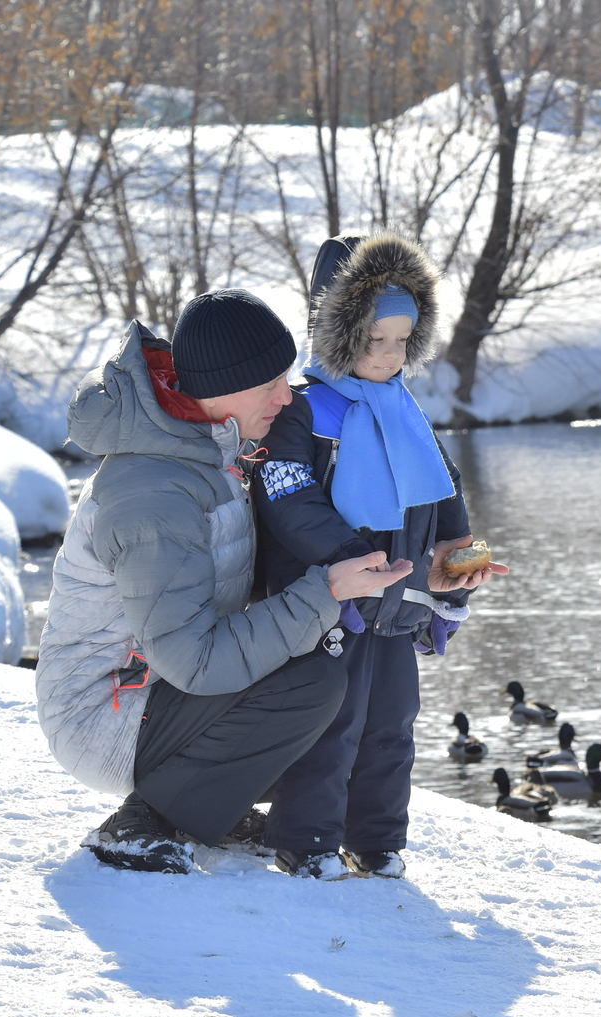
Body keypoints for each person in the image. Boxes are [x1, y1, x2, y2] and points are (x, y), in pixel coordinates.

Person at [36, 289, 412, 876]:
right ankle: (142, 822)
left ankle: (207, 804)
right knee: (311, 685)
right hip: (106, 712)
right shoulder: (155, 493)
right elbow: (196, 661)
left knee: (336, 672)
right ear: (223, 387)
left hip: (157, 689)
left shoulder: (213, 448)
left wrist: (424, 561)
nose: (287, 397)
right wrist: (325, 592)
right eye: (271, 384)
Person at [251, 232, 505, 881]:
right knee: (329, 724)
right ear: (337, 333)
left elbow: (446, 500)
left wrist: (462, 567)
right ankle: (307, 840)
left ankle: (378, 840)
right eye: (375, 339)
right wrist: (350, 559)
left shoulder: (407, 414)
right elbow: (289, 496)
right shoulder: (305, 411)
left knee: (391, 725)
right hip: (329, 602)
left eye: (402, 340)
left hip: (396, 604)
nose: (391, 354)